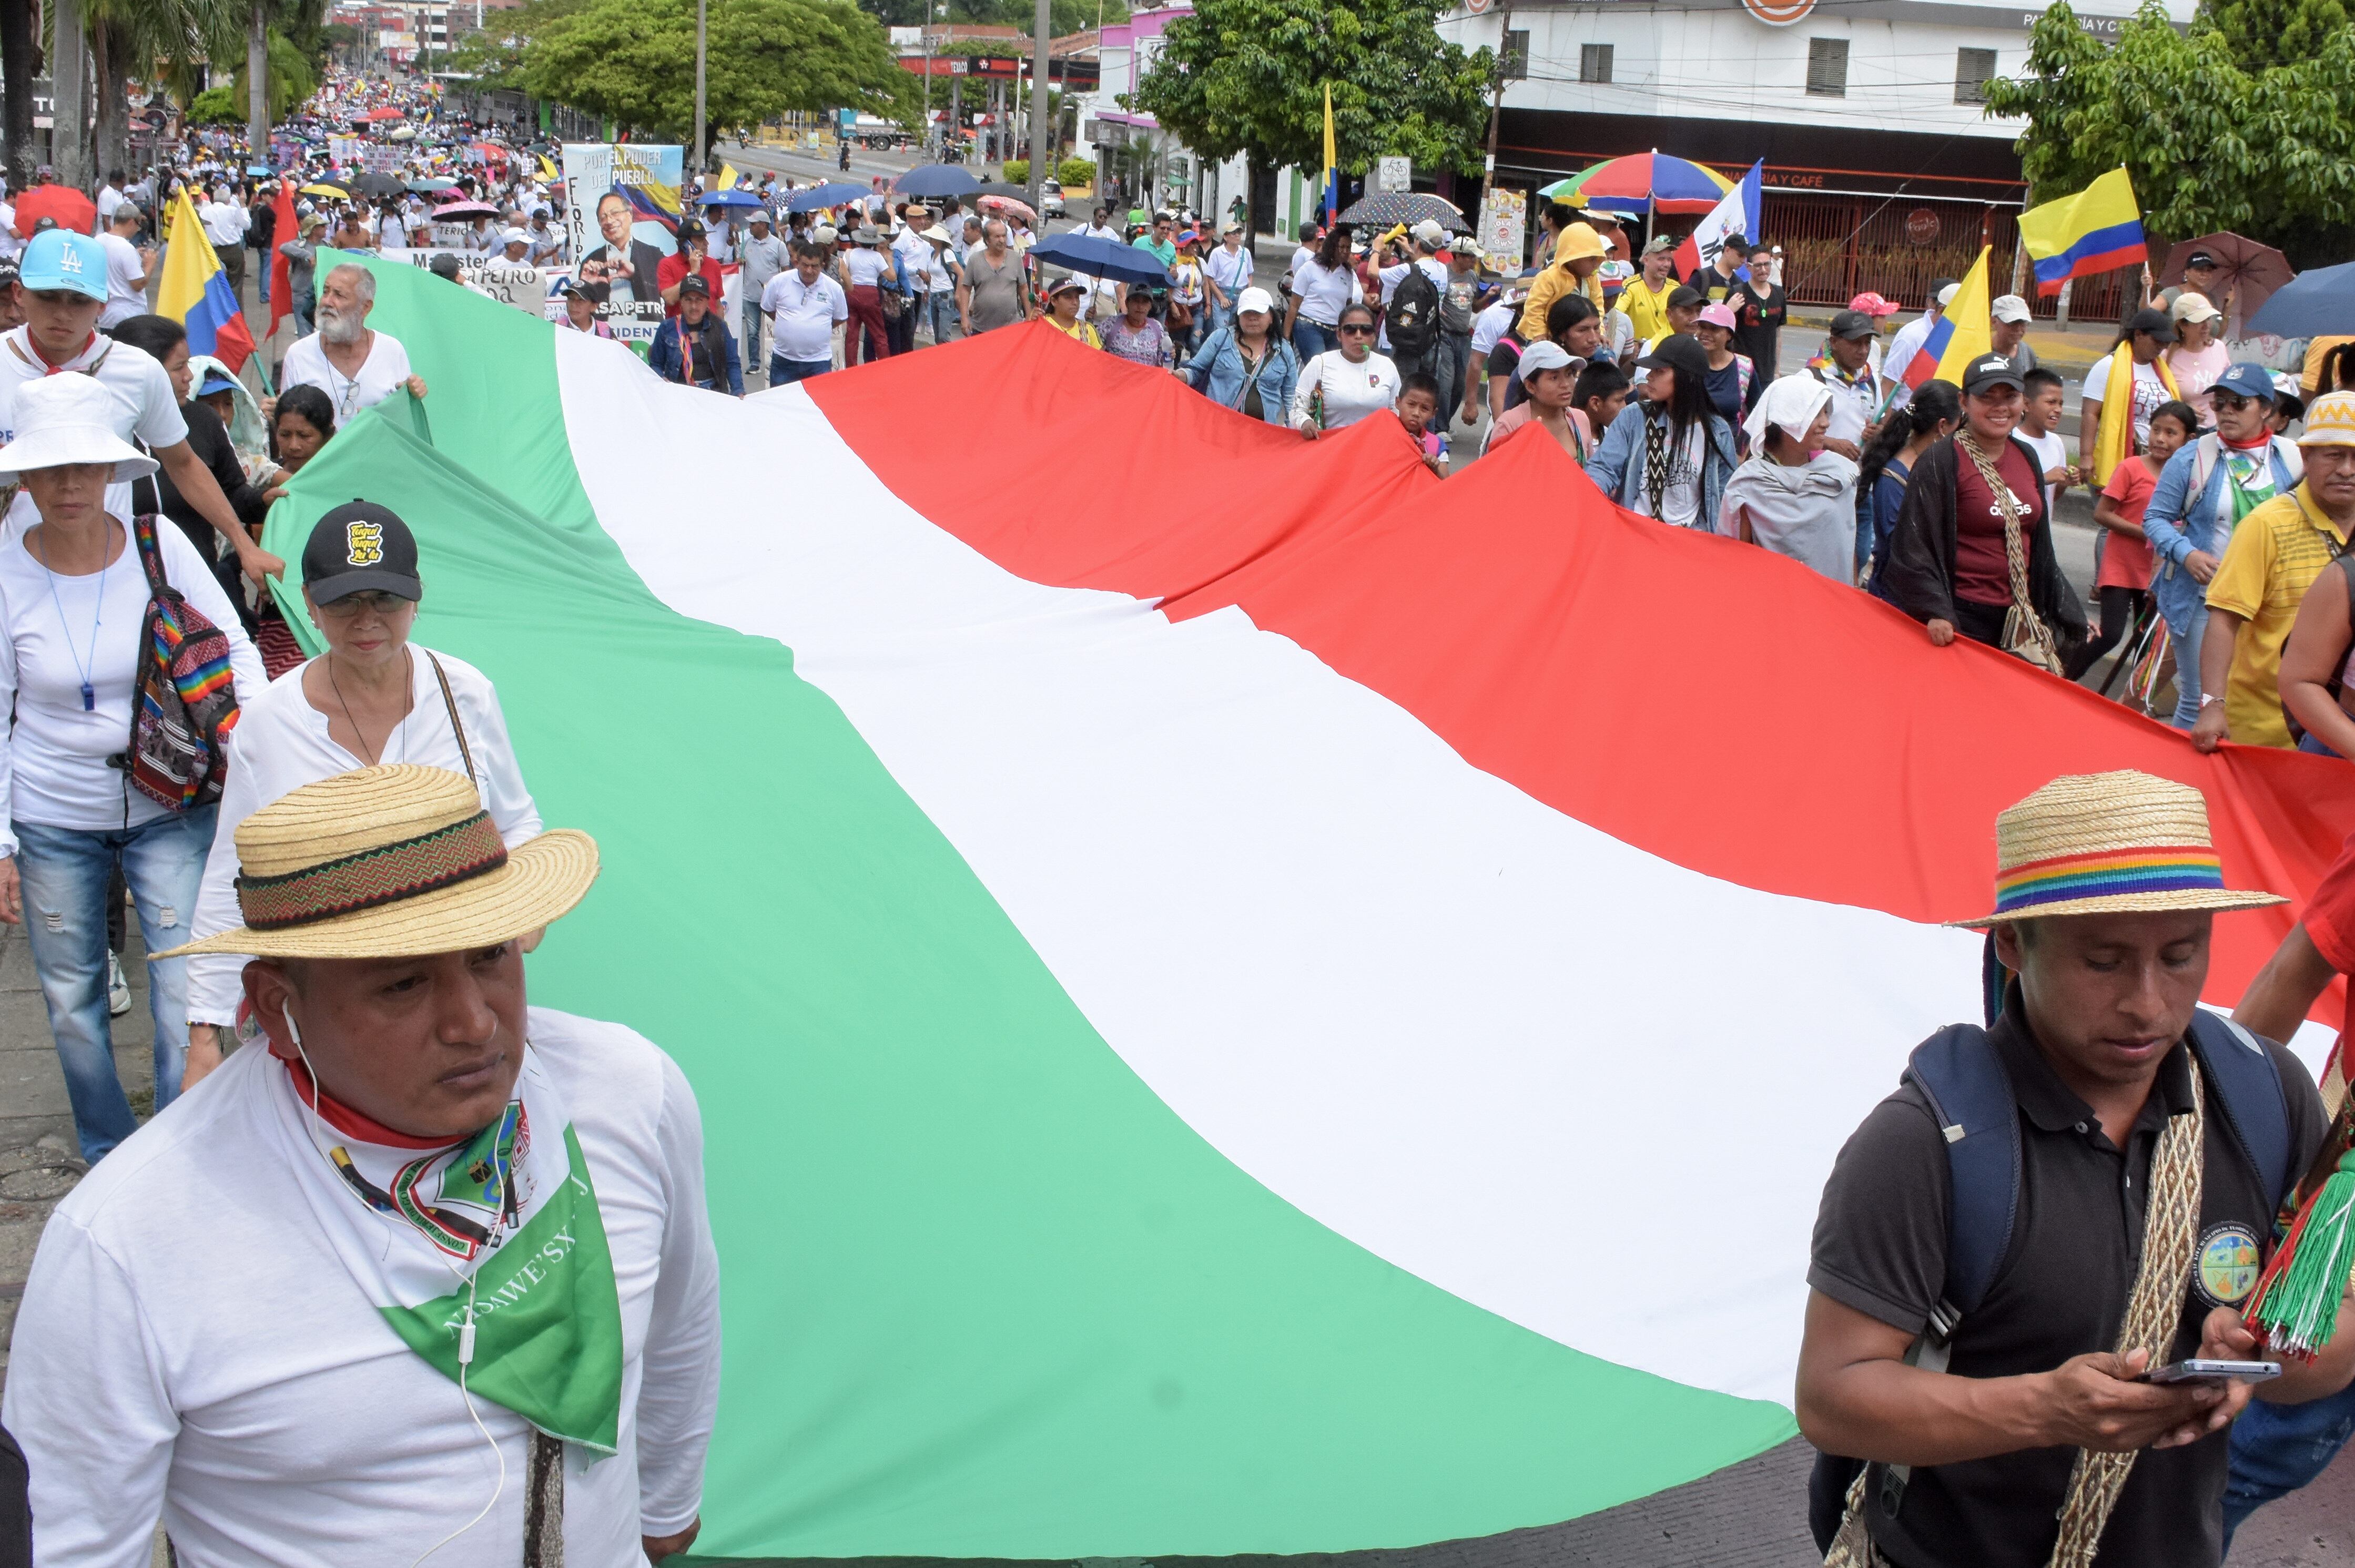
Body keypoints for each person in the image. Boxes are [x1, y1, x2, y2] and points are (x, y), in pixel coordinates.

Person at [3, 763, 722, 1564]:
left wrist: (665, 1502)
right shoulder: (132, 1239)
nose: (474, 1022)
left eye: (489, 954)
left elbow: (681, 1315)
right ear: (277, 1006)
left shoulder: (628, 1092)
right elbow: (75, 1537)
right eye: (405, 982)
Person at [1799, 769, 2351, 1568]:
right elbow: (1833, 1395)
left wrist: (2264, 1358)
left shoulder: (2266, 1096)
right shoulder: (1924, 1144)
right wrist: (2043, 1409)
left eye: (2181, 954)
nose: (2148, 1003)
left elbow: (2336, 1326)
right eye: (2103, 961)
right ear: (2013, 944)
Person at [181, 503, 546, 1084]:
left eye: (386, 599)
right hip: (331, 1000)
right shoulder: (268, 723)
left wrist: (524, 913)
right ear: (308, 604)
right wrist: (204, 1031)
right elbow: (234, 872)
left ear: (416, 598)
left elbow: (517, 820)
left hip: (451, 991)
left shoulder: (465, 694)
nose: (366, 620)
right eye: (344, 601)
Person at [0, 374, 266, 1162]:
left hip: (171, 803)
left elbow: (237, 651)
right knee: (74, 1000)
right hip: (53, 812)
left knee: (189, 986)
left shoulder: (159, 540)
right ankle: (108, 1150)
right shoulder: (7, 567)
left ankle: (178, 1151)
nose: (70, 484)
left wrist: (262, 746)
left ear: (114, 470)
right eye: (51, 469)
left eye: (86, 466)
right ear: (25, 477)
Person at [0, 231, 279, 587]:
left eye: (79, 300)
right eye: (48, 296)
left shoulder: (137, 370)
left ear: (103, 304)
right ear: (20, 294)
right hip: (11, 573)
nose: (63, 313)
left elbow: (183, 463)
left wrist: (243, 544)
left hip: (106, 572)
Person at [1879, 353, 2086, 657]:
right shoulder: (1941, 461)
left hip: (2019, 615)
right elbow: (1913, 545)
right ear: (1964, 402)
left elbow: (2040, 545)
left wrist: (2063, 606)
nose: (2001, 407)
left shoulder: (2026, 456)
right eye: (1987, 398)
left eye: (2010, 397)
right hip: (1962, 618)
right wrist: (1936, 610)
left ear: (2023, 403)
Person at [2139, 363, 2305, 730]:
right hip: (2204, 599)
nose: (2226, 411)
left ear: (2266, 409)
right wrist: (2187, 554)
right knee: (2202, 700)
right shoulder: (2194, 456)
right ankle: (2182, 782)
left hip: (2268, 603)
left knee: (2251, 696)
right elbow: (2154, 519)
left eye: (2239, 403)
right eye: (2220, 404)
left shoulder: (2292, 459)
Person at [2191, 391, 2355, 752]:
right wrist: (2212, 705)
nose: (2347, 469)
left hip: (2341, 737)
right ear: (2306, 456)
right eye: (2334, 455)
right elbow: (2223, 621)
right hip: (2267, 736)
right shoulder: (2267, 525)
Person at [107, 314, 273, 610]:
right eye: (179, 367)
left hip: (197, 592)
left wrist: (263, 501)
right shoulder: (103, 431)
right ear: (145, 372)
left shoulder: (203, 421)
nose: (190, 377)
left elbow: (231, 493)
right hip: (123, 595)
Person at [2068, 400, 2194, 682]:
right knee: (2111, 634)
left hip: (2157, 572)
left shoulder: (2189, 478)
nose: (2160, 439)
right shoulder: (2131, 468)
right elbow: (2102, 514)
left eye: (2171, 433)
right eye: (2156, 430)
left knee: (2146, 641)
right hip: (2121, 565)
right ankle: (2063, 675)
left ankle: (2132, 697)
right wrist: (2150, 533)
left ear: (2190, 440)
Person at [1718, 372, 1858, 582]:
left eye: (1826, 413)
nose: (1826, 423)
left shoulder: (1838, 474)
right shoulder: (1749, 484)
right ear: (1788, 419)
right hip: (1772, 601)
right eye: (1816, 414)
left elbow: (1847, 546)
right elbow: (1734, 554)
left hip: (1830, 601)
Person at [1588, 335, 1738, 529]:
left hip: (1690, 541)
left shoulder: (1718, 432)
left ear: (1688, 377)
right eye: (1651, 370)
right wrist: (1589, 492)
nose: (1649, 376)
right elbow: (1604, 467)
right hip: (1635, 532)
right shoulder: (1634, 417)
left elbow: (1725, 496)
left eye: (1660, 371)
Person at [280, 263, 429, 422]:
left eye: (339, 295)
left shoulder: (392, 350)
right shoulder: (299, 354)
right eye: (325, 292)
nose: (327, 302)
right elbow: (287, 428)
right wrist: (274, 417)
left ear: (365, 307)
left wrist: (413, 394)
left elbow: (404, 420)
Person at [1859, 379, 1962, 595]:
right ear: (1943, 427)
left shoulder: (1938, 465)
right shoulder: (1893, 479)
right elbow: (1902, 548)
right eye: (1959, 426)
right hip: (1898, 596)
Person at [2083, 308, 2181, 485]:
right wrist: (2086, 456)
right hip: (2120, 457)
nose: (2162, 347)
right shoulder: (2108, 367)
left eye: (2165, 343)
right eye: (2157, 341)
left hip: (2155, 460)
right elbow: (2090, 414)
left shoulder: (2162, 371)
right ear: (2138, 335)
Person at [1186, 286, 1295, 424]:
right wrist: (1182, 375)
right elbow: (1195, 371)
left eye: (1258, 313)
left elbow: (1292, 398)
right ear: (1238, 317)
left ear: (1272, 318)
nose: (1252, 318)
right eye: (1246, 314)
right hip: (1218, 428)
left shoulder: (1284, 351)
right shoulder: (1220, 339)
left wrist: (1294, 431)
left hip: (1264, 435)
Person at [1293, 301, 1398, 436]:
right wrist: (1305, 422)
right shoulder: (1320, 364)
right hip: (1332, 446)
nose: (1358, 336)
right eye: (1350, 330)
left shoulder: (1387, 366)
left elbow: (1397, 411)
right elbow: (1297, 408)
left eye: (1366, 330)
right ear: (1339, 334)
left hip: (1374, 447)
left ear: (1374, 336)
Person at [1480, 340, 1588, 463]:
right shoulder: (1510, 424)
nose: (1566, 384)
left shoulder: (1580, 420)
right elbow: (1496, 475)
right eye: (1554, 378)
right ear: (1531, 386)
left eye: (1569, 374)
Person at [763, 240, 848, 386]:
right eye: (805, 265)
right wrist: (788, 323)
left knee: (818, 406)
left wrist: (818, 327)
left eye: (814, 266)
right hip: (784, 360)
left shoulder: (834, 289)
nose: (809, 270)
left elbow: (840, 317)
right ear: (797, 263)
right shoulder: (778, 282)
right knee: (781, 406)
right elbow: (767, 307)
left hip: (818, 362)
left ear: (822, 266)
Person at [1808, 308, 1882, 464]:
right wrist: (1831, 443)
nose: (1863, 351)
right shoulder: (1812, 378)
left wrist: (1877, 433)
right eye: (1856, 343)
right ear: (1834, 342)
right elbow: (1792, 430)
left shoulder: (1871, 380)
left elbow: (1881, 423)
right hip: (1818, 475)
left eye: (1867, 344)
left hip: (1857, 477)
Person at [648, 275, 743, 395]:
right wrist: (661, 379)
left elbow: (732, 363)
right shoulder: (667, 328)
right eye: (688, 300)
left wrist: (738, 390)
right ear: (681, 302)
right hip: (678, 394)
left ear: (707, 302)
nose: (694, 306)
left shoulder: (720, 327)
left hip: (713, 394)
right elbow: (656, 364)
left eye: (699, 300)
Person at [1516, 220, 1608, 343]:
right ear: (1571, 259)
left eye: (1598, 259)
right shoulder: (1549, 277)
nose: (1596, 265)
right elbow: (1534, 307)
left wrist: (1599, 332)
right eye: (1592, 259)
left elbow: (1598, 308)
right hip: (1545, 336)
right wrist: (1540, 333)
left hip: (1578, 339)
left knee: (1604, 356)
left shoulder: (1592, 280)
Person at [580, 187, 664, 317]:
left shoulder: (654, 255)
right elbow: (581, 308)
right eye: (603, 217)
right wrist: (586, 285)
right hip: (603, 334)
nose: (609, 221)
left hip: (646, 333)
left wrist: (636, 274)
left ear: (630, 216)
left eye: (615, 213)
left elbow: (668, 295)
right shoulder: (591, 262)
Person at [1880, 279, 1956, 411]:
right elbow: (1888, 386)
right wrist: (1887, 428)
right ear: (1941, 310)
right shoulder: (1911, 337)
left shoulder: (1959, 337)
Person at [1285, 225, 1358, 360]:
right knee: (1319, 368)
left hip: (1335, 331)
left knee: (1332, 371)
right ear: (1331, 247)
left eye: (1348, 248)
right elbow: (1294, 305)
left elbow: (1348, 306)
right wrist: (1285, 339)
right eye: (1341, 247)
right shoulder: (1310, 268)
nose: (1345, 251)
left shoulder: (1348, 274)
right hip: (1309, 326)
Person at [1694, 303, 1763, 433]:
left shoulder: (1744, 367)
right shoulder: (1688, 364)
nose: (1705, 334)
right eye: (1702, 327)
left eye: (1714, 329)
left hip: (1731, 448)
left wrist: (1745, 451)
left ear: (1729, 335)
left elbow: (1758, 413)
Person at [2017, 366, 2075, 517]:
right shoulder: (2011, 440)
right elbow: (2006, 490)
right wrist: (2043, 479)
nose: (2058, 409)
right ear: (2027, 404)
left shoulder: (2056, 443)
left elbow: (2051, 497)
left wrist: (2064, 482)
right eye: (2051, 402)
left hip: (2044, 533)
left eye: (2061, 404)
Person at [958, 218, 1030, 337]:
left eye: (1004, 236)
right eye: (997, 237)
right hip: (981, 327)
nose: (1002, 240)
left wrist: (1028, 315)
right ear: (987, 240)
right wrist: (964, 318)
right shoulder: (975, 260)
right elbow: (966, 289)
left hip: (1011, 327)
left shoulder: (1015, 259)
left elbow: (1023, 288)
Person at [2168, 294, 2232, 425]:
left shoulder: (2218, 347)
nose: (2206, 326)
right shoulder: (2168, 356)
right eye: (2199, 321)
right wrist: (2183, 408)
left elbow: (2229, 386)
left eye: (2208, 319)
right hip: (2183, 430)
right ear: (2182, 325)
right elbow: (2159, 397)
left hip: (2217, 430)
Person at [1730, 250, 1786, 379]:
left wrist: (1776, 371)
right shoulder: (1737, 293)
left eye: (1767, 264)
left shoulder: (1779, 293)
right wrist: (1729, 309)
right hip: (1741, 369)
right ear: (1748, 267)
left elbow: (1777, 333)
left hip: (1767, 370)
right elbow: (1723, 330)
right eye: (1758, 265)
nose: (1763, 269)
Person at [95, 203, 150, 330]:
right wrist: (149, 265)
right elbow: (138, 285)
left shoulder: (99, 240)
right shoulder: (126, 248)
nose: (138, 230)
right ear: (131, 222)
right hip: (129, 315)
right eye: (138, 225)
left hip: (107, 315)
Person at [1618, 237, 1679, 347]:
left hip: (1668, 349)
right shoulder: (1630, 285)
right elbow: (1616, 315)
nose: (1667, 264)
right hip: (1639, 350)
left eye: (1669, 260)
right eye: (1661, 259)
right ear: (1646, 260)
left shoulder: (1676, 288)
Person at [1102, 281, 1175, 370]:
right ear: (1127, 303)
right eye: (1136, 301)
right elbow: (1093, 352)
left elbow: (1163, 364)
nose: (1140, 307)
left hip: (1146, 382)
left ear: (1151, 306)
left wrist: (1170, 355)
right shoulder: (1110, 325)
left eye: (1145, 302)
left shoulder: (1157, 328)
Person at [278, 211, 325, 339]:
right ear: (314, 229)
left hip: (321, 296)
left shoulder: (326, 246)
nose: (326, 229)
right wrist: (307, 255)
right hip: (302, 295)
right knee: (304, 333)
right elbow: (283, 248)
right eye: (322, 226)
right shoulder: (300, 244)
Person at [1202, 221, 1253, 341]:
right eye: (1233, 233)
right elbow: (1210, 279)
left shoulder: (1245, 253)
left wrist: (1249, 291)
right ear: (1225, 236)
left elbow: (1250, 274)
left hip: (1240, 294)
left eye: (1239, 233)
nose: (1237, 236)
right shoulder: (1217, 253)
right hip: (1223, 294)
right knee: (1222, 332)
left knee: (1238, 331)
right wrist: (1221, 298)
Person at [1395, 372, 1448, 474]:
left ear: (1434, 413)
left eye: (1425, 409)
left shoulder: (1435, 445)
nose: (1416, 413)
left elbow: (1446, 483)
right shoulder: (1384, 432)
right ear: (1398, 403)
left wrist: (1434, 468)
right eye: (1411, 404)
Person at [1687, 233, 1749, 307]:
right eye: (1740, 255)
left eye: (1746, 257)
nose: (1743, 261)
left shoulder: (1739, 284)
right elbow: (1688, 307)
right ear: (1727, 250)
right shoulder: (1701, 276)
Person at [1041, 276, 1102, 348]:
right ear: (1054, 301)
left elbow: (1099, 357)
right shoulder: (1043, 324)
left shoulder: (1088, 329)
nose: (1075, 302)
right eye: (1068, 297)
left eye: (1077, 297)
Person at [1989, 294, 2038, 375]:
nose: (2018, 329)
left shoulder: (2027, 353)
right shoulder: (1980, 351)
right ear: (1994, 322)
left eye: (2023, 323)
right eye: (2012, 323)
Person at [554, 274, 614, 338]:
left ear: (594, 307)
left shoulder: (605, 332)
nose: (574, 305)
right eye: (571, 299)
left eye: (581, 300)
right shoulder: (555, 328)